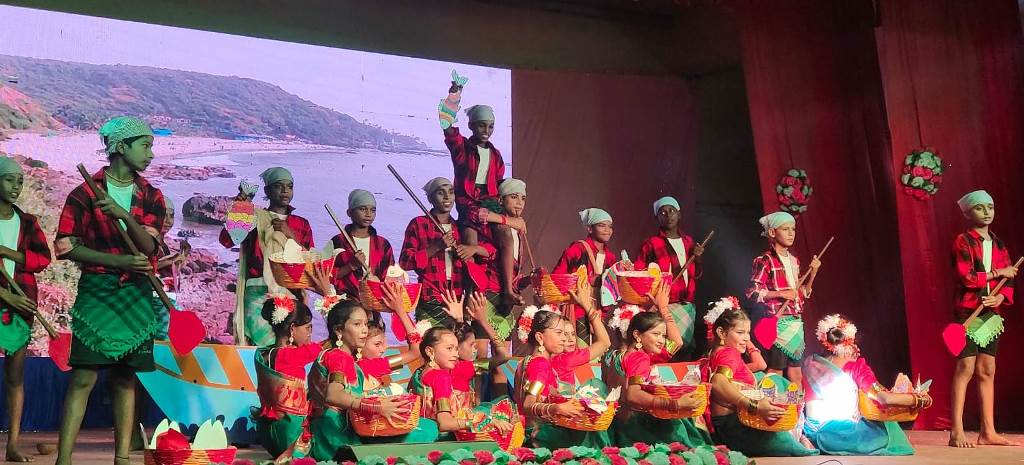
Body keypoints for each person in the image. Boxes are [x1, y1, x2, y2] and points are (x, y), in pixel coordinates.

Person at [53, 116, 168, 465]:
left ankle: (122, 459)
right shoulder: (84, 193)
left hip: (136, 295)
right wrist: (117, 261)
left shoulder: (152, 196)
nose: (151, 153)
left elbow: (149, 248)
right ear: (120, 147)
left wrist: (124, 216)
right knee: (83, 377)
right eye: (145, 146)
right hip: (97, 293)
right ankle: (63, 460)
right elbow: (65, 246)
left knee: (124, 378)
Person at [307, 298, 437, 461]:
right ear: (339, 330)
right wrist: (377, 407)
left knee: (425, 427)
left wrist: (400, 310)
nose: (364, 330)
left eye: (365, 324)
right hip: (336, 435)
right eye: (357, 324)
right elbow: (333, 395)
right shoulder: (338, 357)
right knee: (425, 430)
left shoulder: (360, 365)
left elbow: (415, 352)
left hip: (334, 430)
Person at [948, 190, 1019, 448]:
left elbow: (1008, 280)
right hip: (969, 311)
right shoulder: (963, 241)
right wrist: (999, 272)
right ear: (968, 213)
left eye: (990, 206)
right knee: (965, 367)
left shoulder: (999, 244)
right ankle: (956, 431)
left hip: (992, 314)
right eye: (980, 208)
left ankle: (988, 431)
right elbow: (967, 277)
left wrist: (1000, 297)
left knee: (987, 369)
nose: (987, 212)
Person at [706, 297, 818, 457]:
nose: (746, 338)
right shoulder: (729, 354)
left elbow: (760, 365)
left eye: (748, 333)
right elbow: (718, 382)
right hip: (732, 427)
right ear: (721, 332)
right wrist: (755, 406)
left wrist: (744, 341)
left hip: (722, 427)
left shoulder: (717, 352)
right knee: (795, 448)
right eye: (740, 332)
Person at [803, 314, 929, 455]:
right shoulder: (857, 368)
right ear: (850, 343)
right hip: (840, 433)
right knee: (888, 427)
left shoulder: (810, 363)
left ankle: (810, 441)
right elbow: (884, 398)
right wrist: (918, 399)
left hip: (810, 430)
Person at [603, 284, 710, 448]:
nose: (661, 340)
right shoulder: (640, 358)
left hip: (618, 425)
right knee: (684, 424)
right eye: (656, 334)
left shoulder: (612, 355)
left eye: (663, 335)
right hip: (637, 428)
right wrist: (675, 404)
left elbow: (676, 343)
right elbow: (633, 395)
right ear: (637, 335)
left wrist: (662, 308)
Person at [219, 168, 314, 346]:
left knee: (290, 346)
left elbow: (310, 263)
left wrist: (290, 235)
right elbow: (227, 240)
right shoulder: (255, 216)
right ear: (267, 191)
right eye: (279, 186)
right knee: (260, 345)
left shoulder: (301, 224)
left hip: (290, 293)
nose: (285, 191)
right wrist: (240, 211)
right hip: (257, 294)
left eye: (289, 186)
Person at [0, 157, 52, 462]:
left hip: (21, 305)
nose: (16, 186)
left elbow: (42, 259)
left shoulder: (28, 222)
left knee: (15, 375)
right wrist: (5, 296)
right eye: (9, 180)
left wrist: (7, 252)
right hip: (10, 300)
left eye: (20, 181)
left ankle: (13, 445)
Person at [745, 211, 820, 384]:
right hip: (778, 324)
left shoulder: (794, 261)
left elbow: (802, 294)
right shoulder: (765, 260)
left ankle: (796, 402)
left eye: (793, 229)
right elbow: (752, 292)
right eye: (785, 229)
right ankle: (772, 399)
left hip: (796, 324)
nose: (791, 233)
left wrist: (813, 274)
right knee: (776, 370)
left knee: (796, 373)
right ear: (772, 232)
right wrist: (781, 293)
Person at [252, 293, 320, 462]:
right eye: (308, 328)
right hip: (290, 432)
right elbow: (324, 346)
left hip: (267, 432)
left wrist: (301, 305)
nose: (310, 333)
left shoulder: (263, 353)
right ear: (292, 329)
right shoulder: (290, 356)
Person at [635, 196, 704, 354]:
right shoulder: (651, 243)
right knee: (667, 349)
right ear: (657, 218)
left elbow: (696, 274)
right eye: (663, 212)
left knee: (684, 349)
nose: (668, 215)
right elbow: (640, 273)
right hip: (663, 305)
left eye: (672, 210)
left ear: (679, 214)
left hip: (686, 306)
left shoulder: (688, 242)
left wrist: (698, 258)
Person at [554, 208, 616, 347]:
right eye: (602, 225)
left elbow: (610, 289)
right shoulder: (577, 249)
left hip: (598, 310)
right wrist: (587, 281)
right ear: (589, 228)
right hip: (578, 309)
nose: (607, 230)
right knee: (580, 349)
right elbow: (559, 277)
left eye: (610, 226)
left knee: (598, 348)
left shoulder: (610, 257)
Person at [331, 189, 394, 299]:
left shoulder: (383, 245)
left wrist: (379, 284)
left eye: (373, 210)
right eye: (362, 209)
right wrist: (351, 265)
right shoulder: (337, 241)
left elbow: (391, 276)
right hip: (345, 303)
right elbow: (327, 276)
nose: (368, 214)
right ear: (349, 212)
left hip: (375, 301)